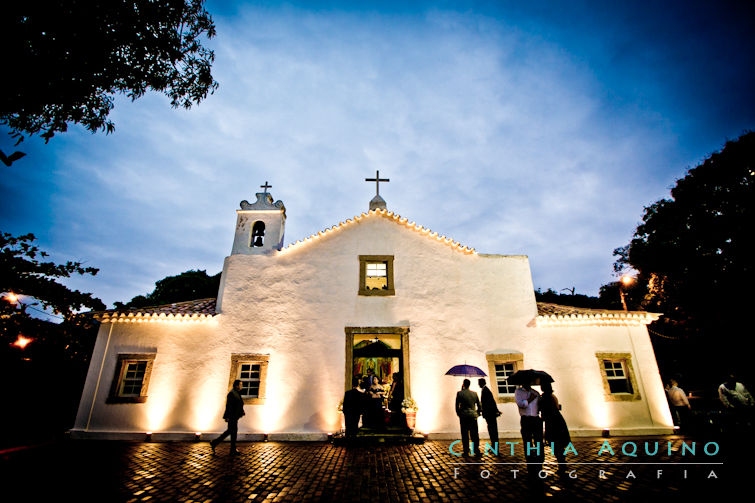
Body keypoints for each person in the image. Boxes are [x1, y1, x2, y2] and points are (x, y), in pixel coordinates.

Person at [539, 381, 570, 473]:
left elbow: (545, 410)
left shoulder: (545, 398)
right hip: (558, 421)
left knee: (555, 444)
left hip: (552, 423)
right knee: (558, 444)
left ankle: (562, 464)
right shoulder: (553, 396)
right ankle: (562, 463)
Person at [210, 380, 245, 455]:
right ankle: (216, 443)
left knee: (231, 432)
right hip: (232, 416)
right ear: (236, 386)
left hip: (235, 416)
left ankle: (217, 443)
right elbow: (229, 406)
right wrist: (227, 416)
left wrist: (242, 411)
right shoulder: (232, 394)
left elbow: (238, 404)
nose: (241, 386)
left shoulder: (236, 393)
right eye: (240, 385)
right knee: (232, 432)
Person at [515, 381, 544, 471]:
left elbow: (540, 406)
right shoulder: (518, 392)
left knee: (538, 440)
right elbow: (521, 404)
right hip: (526, 419)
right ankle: (530, 460)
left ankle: (539, 460)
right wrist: (529, 399)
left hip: (536, 419)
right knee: (527, 441)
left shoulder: (535, 392)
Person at [455, 379, 482, 457]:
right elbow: (479, 405)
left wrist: (459, 413)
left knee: (465, 434)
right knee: (474, 434)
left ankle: (466, 450)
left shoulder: (459, 393)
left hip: (464, 416)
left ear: (463, 384)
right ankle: (476, 449)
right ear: (469, 384)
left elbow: (457, 405)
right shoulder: (474, 393)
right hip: (473, 416)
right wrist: (478, 412)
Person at [478, 378, 501, 454]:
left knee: (492, 431)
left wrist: (484, 410)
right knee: (492, 430)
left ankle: (495, 447)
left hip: (490, 414)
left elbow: (490, 403)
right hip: (490, 414)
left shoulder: (485, 391)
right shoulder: (485, 390)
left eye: (479, 383)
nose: (478, 384)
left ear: (481, 383)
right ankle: (494, 446)